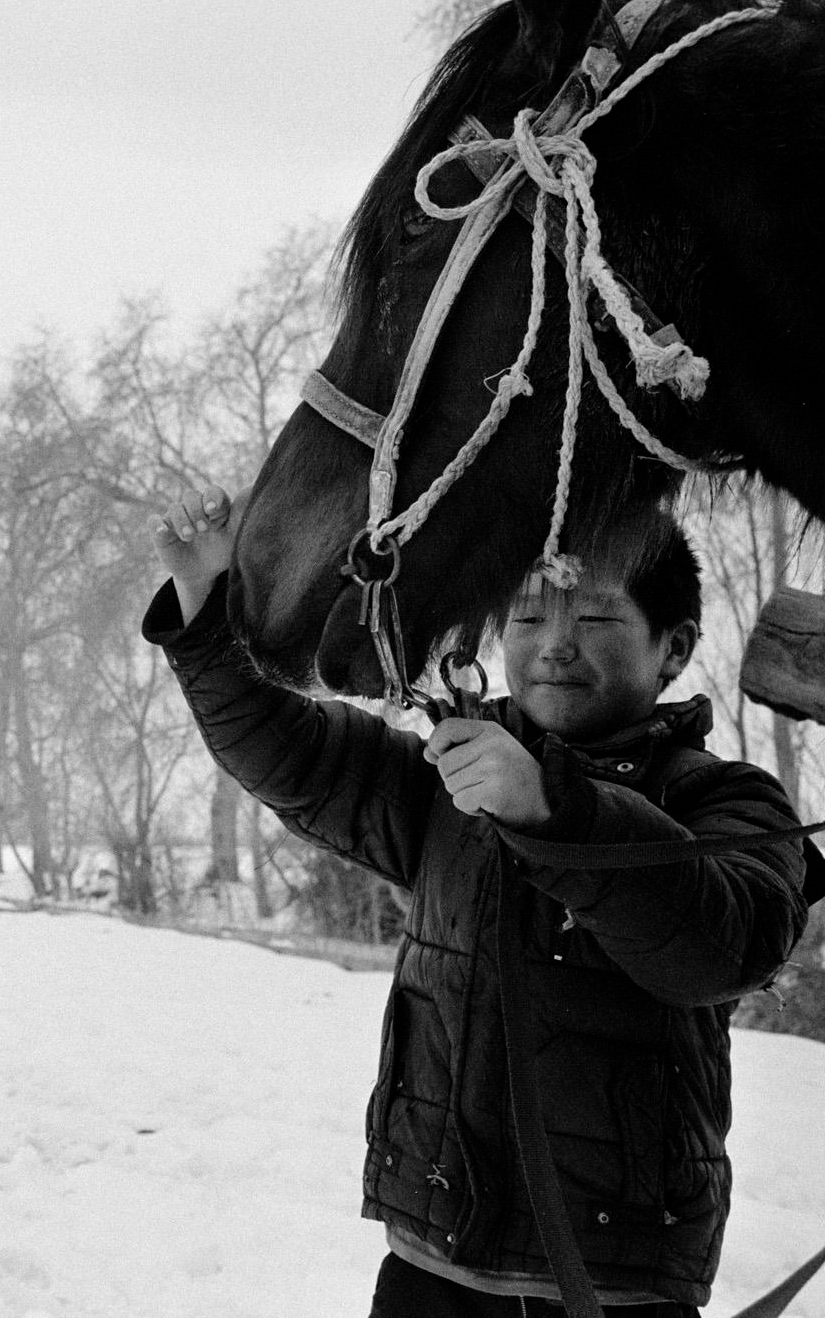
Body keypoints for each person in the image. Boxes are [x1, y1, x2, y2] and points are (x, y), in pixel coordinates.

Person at [142, 489, 809, 1317]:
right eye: (527, 619)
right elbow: (295, 752)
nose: (555, 647)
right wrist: (207, 614)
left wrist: (554, 811)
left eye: (596, 621)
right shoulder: (448, 773)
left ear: (673, 649)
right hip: (432, 1265)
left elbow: (722, 943)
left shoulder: (731, 801)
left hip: (613, 1284)